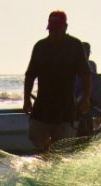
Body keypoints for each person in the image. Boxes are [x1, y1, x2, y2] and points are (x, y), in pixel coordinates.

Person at [23, 10, 91, 152]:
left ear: (65, 27)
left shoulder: (75, 45)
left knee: (60, 148)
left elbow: (85, 74)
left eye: (57, 29)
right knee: (34, 135)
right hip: (42, 105)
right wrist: (26, 99)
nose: (53, 33)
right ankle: (46, 151)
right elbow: (30, 75)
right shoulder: (40, 46)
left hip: (65, 107)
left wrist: (85, 98)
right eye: (51, 29)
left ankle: (51, 159)